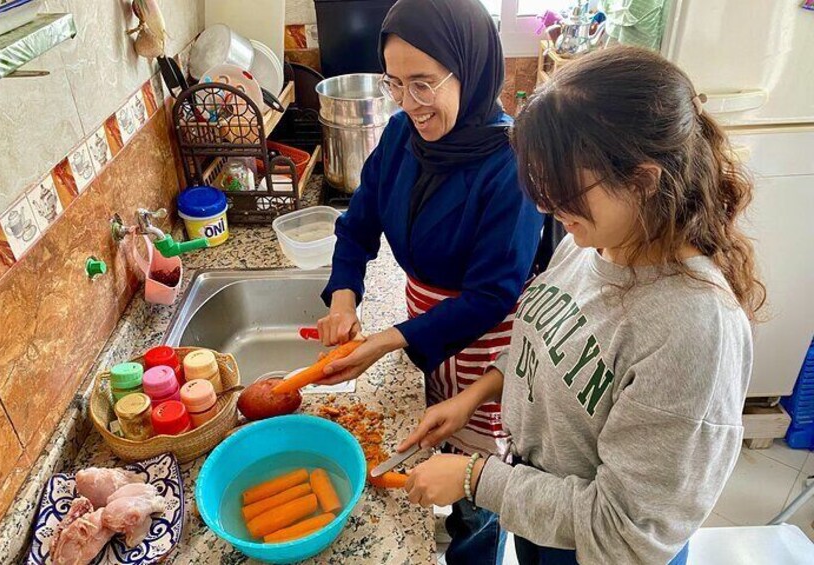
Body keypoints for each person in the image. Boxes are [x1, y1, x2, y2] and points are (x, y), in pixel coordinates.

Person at [398, 46, 765, 564]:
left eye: (565, 189)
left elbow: (624, 530)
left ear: (642, 180)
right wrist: (475, 395)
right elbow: (551, 345)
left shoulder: (694, 329)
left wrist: (474, 478)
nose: (547, 206)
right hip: (542, 512)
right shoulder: (591, 241)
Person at [315, 0, 543, 562]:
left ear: (470, 68)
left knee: (478, 488)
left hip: (488, 343)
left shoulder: (512, 163)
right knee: (431, 448)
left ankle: (476, 548)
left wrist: (389, 339)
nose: (408, 103)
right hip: (424, 328)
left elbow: (493, 295)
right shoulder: (399, 136)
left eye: (423, 84)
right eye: (395, 84)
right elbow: (359, 222)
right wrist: (344, 298)